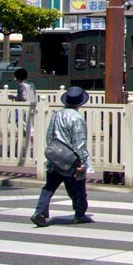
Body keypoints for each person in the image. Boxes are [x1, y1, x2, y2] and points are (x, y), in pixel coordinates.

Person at [31, 86, 93, 227]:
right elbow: (79, 143)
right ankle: (80, 214)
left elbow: (49, 135)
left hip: (55, 158)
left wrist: (53, 153)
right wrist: (82, 162)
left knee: (49, 187)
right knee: (77, 188)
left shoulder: (56, 114)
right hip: (71, 160)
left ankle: (39, 213)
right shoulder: (77, 118)